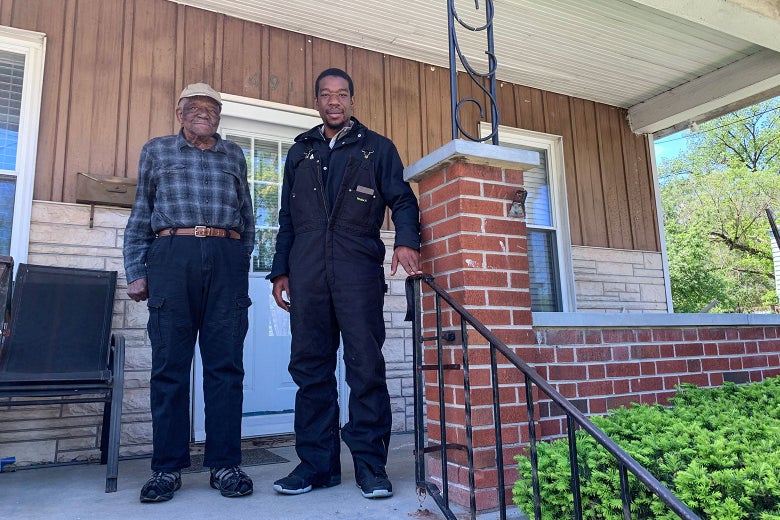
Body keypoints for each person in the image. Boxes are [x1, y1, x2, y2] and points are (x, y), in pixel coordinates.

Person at [268, 68, 422, 499]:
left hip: (357, 269)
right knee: (310, 369)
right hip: (307, 272)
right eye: (325, 95)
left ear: (352, 100)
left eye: (341, 95)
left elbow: (403, 200)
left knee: (365, 368)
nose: (334, 101)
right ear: (316, 102)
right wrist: (281, 271)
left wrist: (406, 242)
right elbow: (286, 220)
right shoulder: (300, 152)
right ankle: (317, 466)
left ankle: (371, 466)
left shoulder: (377, 148)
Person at [123, 82, 255, 503]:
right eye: (195, 108)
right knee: (169, 367)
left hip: (225, 257)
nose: (204, 114)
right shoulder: (156, 151)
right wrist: (136, 270)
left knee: (225, 366)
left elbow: (248, 218)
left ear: (219, 116)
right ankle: (166, 469)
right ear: (180, 114)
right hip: (170, 255)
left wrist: (237, 261)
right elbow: (141, 212)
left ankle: (224, 465)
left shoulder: (234, 155)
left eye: (212, 109)